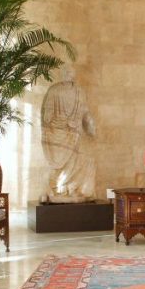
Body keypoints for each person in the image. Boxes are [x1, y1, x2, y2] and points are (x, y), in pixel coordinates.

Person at [41, 65, 96, 203]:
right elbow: (47, 112)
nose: (69, 75)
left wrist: (90, 124)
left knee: (76, 160)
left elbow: (85, 111)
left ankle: (69, 188)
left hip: (74, 132)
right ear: (62, 74)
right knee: (59, 163)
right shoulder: (54, 90)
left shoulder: (79, 91)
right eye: (67, 72)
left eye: (72, 72)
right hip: (57, 132)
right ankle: (57, 188)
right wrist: (48, 125)